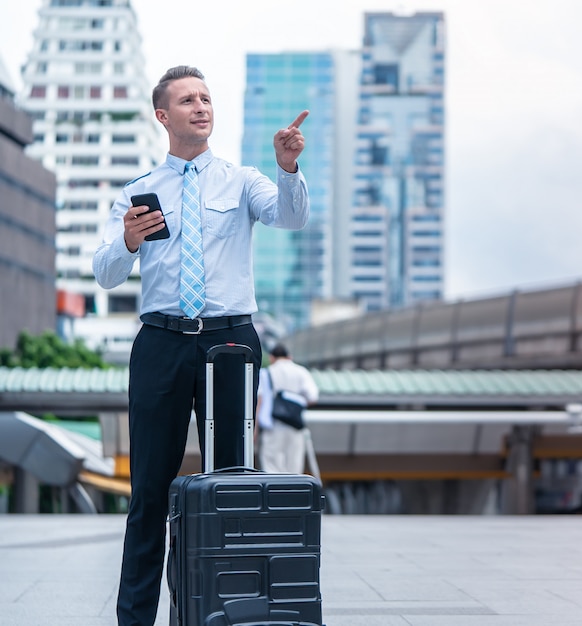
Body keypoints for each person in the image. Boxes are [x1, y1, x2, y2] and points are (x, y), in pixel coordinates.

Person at [92, 65, 310, 626]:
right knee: (148, 496)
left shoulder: (243, 180)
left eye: (206, 98)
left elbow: (290, 216)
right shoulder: (138, 192)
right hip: (161, 344)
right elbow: (105, 274)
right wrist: (127, 241)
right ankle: (136, 619)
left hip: (231, 345)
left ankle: (229, 612)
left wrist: (289, 168)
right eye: (188, 100)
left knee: (233, 488)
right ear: (164, 116)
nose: (201, 107)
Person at [256, 343, 319, 474]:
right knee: (294, 466)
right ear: (289, 357)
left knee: (271, 466)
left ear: (272, 358)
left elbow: (260, 401)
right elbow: (313, 396)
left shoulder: (266, 373)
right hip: (295, 425)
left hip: (272, 426)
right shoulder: (301, 371)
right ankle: (292, 493)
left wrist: (255, 430)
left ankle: (274, 493)